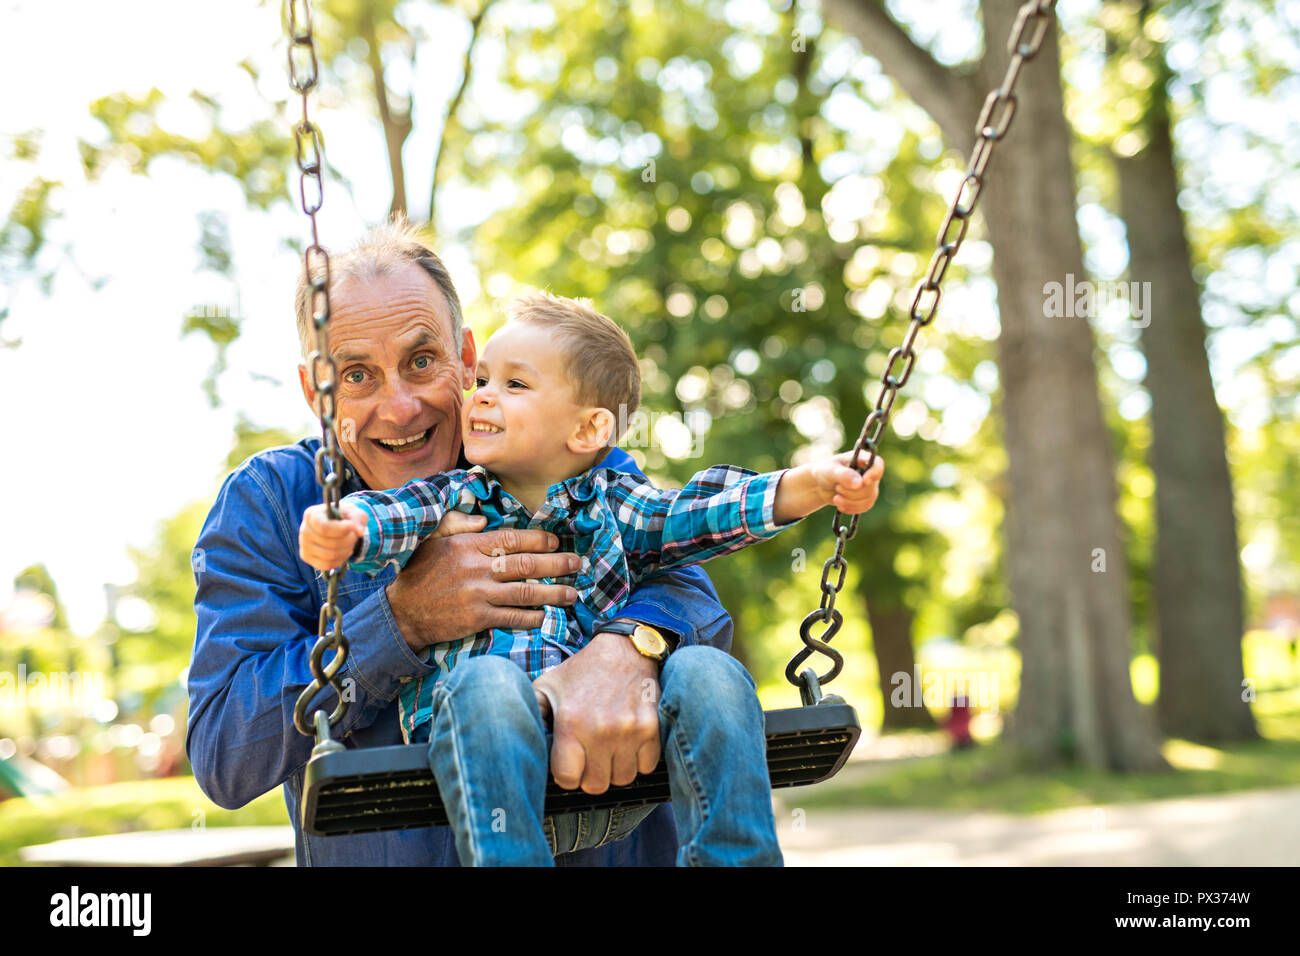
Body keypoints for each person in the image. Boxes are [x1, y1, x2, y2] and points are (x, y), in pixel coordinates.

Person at [187, 218, 735, 866]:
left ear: (466, 357)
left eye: (422, 362)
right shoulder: (273, 505)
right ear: (316, 392)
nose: (400, 408)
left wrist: (627, 652)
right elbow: (226, 754)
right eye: (357, 375)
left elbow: (688, 591)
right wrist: (400, 622)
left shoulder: (561, 456)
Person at [298, 291, 885, 865]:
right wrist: (345, 525)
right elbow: (393, 514)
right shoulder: (452, 496)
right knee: (484, 686)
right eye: (481, 383)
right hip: (488, 763)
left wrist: (810, 486)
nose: (480, 399)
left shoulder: (618, 504)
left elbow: (700, 514)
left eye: (514, 385)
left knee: (711, 672)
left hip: (621, 764)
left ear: (586, 431)